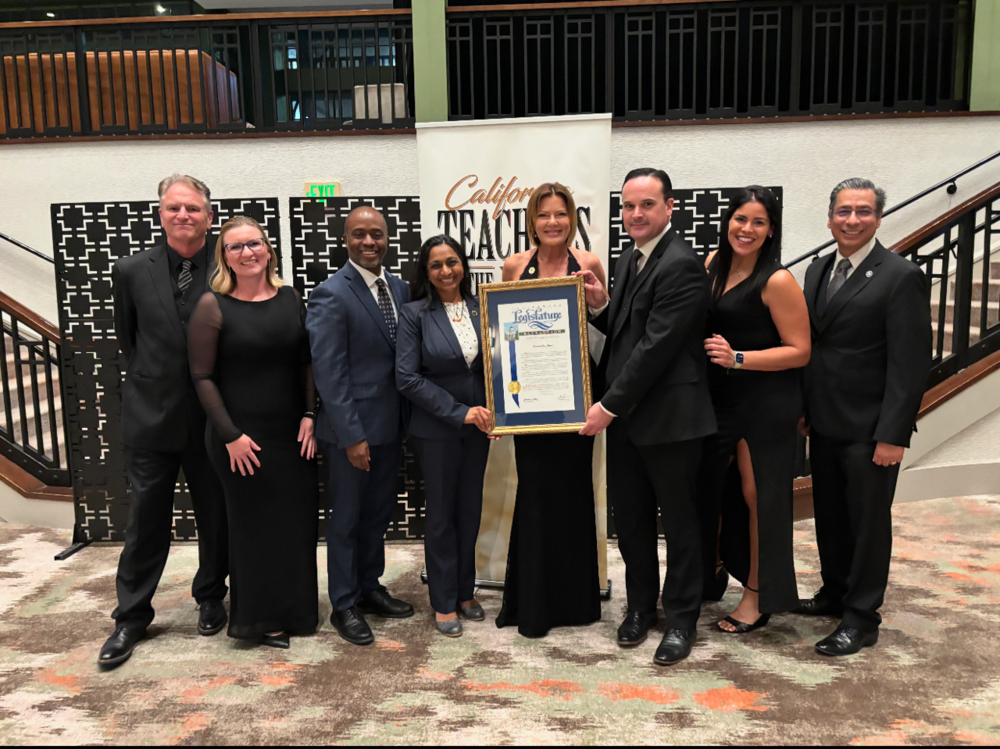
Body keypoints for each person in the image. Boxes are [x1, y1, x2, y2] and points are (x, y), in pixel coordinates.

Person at [578, 168, 716, 666]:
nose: (636, 214)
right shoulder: (628, 258)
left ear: (669, 208)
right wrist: (599, 307)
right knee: (632, 521)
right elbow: (626, 330)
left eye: (647, 205)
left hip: (672, 419)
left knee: (680, 524)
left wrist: (607, 405)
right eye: (628, 206)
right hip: (629, 420)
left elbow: (657, 347)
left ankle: (681, 619)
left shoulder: (681, 264)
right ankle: (640, 608)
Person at [98, 175, 229, 668]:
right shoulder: (131, 270)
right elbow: (129, 340)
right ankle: (131, 617)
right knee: (146, 519)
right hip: (151, 418)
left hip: (212, 418)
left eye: (193, 209)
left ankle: (211, 595)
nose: (184, 216)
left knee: (215, 515)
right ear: (160, 214)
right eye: (174, 208)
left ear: (208, 216)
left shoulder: (227, 262)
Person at [796, 178, 931, 656]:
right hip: (826, 423)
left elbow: (911, 363)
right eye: (844, 211)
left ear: (878, 218)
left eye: (864, 212)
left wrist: (893, 433)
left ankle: (861, 616)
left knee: (868, 524)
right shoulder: (816, 270)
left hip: (873, 429)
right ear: (830, 217)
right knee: (830, 517)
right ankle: (834, 593)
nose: (852, 220)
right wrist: (807, 409)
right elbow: (816, 347)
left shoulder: (899, 275)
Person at [188, 217, 319, 649]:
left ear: (268, 249)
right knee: (254, 529)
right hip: (239, 437)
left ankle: (297, 611)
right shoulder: (213, 305)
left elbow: (305, 362)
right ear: (223, 257)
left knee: (294, 523)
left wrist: (309, 414)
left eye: (254, 244)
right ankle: (261, 619)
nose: (247, 253)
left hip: (291, 432)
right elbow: (202, 377)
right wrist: (229, 436)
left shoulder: (290, 298)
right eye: (235, 247)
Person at [695, 186, 811, 634]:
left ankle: (758, 597)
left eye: (758, 222)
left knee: (756, 497)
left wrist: (739, 357)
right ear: (728, 222)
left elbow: (801, 351)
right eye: (740, 219)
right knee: (717, 495)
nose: (747, 229)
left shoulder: (777, 280)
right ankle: (719, 573)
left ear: (771, 231)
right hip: (718, 398)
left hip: (765, 401)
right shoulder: (712, 265)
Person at [496, 182, 608, 638]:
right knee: (536, 495)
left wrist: (599, 302)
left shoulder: (591, 263)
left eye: (560, 214)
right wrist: (503, 400)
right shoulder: (514, 266)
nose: (553, 223)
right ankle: (535, 603)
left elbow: (606, 328)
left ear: (572, 218)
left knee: (576, 493)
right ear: (532, 221)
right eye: (544, 215)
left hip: (577, 400)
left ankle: (577, 602)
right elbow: (503, 335)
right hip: (530, 404)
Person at [306, 205, 413, 646]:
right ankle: (344, 604)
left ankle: (370, 587)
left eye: (377, 234)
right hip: (352, 434)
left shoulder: (402, 288)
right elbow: (329, 374)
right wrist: (352, 436)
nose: (369, 242)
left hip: (393, 427)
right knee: (347, 521)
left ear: (388, 238)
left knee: (376, 517)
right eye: (359, 234)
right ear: (345, 239)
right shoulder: (331, 293)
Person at [396, 234, 492, 638]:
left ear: (463, 265)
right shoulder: (414, 314)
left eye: (452, 262)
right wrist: (459, 412)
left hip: (479, 429)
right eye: (436, 265)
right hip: (436, 429)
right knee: (440, 516)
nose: (446, 270)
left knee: (469, 510)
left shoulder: (481, 307)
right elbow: (406, 377)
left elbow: (497, 366)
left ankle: (465, 592)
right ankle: (442, 599)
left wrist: (497, 415)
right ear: (426, 272)